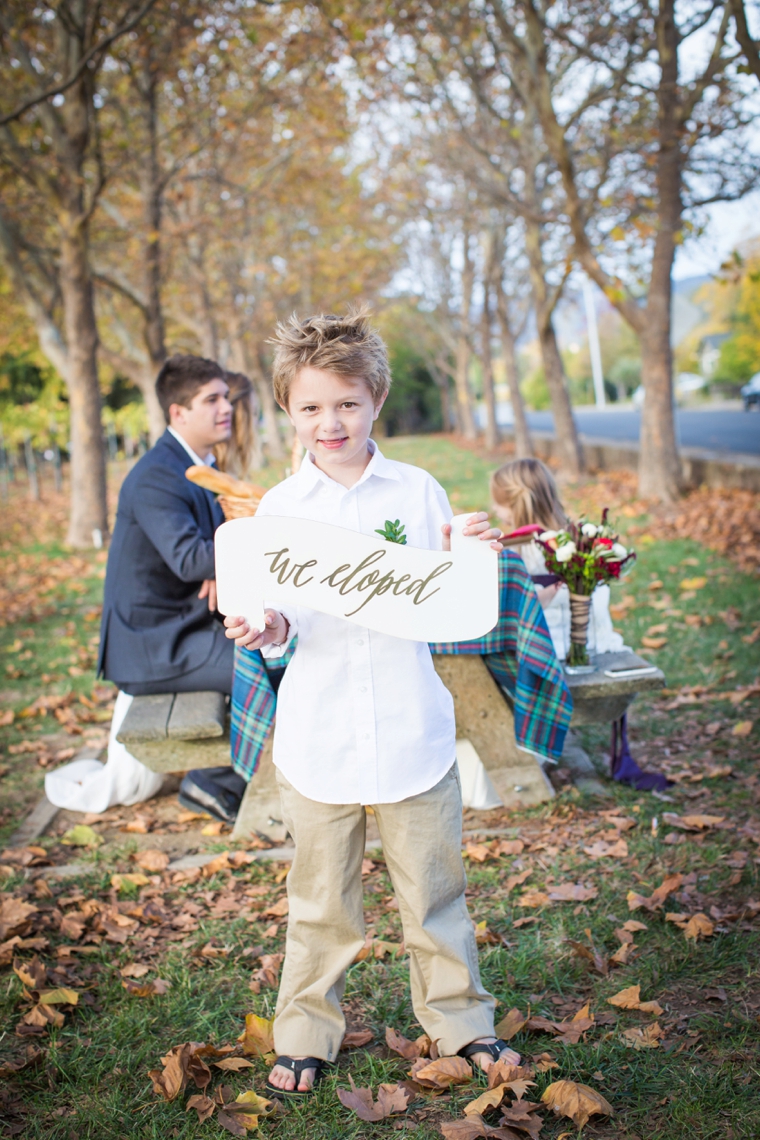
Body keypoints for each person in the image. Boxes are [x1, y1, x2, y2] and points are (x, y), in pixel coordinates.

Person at [224, 307, 521, 1098]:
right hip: (319, 734)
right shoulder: (281, 511)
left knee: (434, 891)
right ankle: (306, 1030)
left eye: (347, 403)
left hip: (410, 726)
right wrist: (266, 624)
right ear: (290, 411)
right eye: (313, 406)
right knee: (321, 903)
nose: (332, 421)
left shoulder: (418, 492)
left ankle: (461, 1019)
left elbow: (446, 601)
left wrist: (469, 562)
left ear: (376, 402)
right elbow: (284, 623)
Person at [93, 355, 245, 822]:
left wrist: (221, 567)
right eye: (212, 400)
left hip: (190, 625)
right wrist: (233, 555)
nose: (227, 408)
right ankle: (212, 782)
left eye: (227, 398)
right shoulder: (158, 476)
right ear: (179, 413)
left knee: (281, 645)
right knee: (267, 663)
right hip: (157, 644)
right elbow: (189, 559)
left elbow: (209, 549)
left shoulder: (199, 464)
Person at [490, 458, 626, 660]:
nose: (493, 508)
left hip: (546, 644)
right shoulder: (573, 541)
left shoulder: (526, 550)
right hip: (588, 637)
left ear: (516, 503)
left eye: (497, 502)